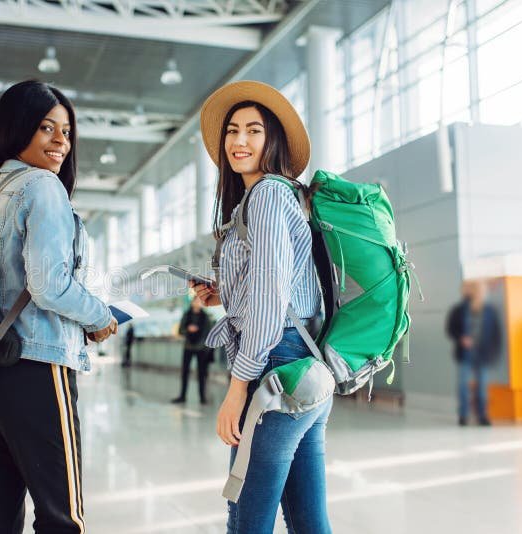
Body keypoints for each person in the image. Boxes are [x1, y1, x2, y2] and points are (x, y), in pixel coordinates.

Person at [0, 80, 118, 534]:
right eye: (47, 128)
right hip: (35, 364)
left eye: (66, 132)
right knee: (62, 516)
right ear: (17, 128)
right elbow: (49, 285)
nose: (61, 142)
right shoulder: (43, 188)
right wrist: (101, 316)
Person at [191, 80, 333, 534]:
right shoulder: (274, 197)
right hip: (305, 369)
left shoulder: (269, 195)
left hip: (275, 371)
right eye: (233, 131)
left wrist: (237, 390)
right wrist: (223, 292)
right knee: (309, 522)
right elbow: (280, 285)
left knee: (247, 520)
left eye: (254, 131)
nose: (239, 141)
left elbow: (272, 301)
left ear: (273, 140)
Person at [446, 280, 502, 426]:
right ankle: (463, 415)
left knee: (482, 387)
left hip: (482, 354)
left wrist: (493, 353)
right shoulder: (459, 310)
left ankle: (482, 415)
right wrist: (461, 338)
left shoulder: (489, 311)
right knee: (463, 385)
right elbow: (451, 329)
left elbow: (496, 334)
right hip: (465, 354)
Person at [172, 297, 215, 405]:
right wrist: (188, 329)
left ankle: (202, 398)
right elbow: (180, 330)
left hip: (201, 349)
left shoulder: (205, 317)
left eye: (200, 301)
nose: (197, 303)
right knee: (185, 372)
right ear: (192, 303)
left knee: (202, 374)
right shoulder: (187, 315)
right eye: (196, 301)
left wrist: (205, 347)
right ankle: (182, 396)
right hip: (188, 347)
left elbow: (208, 334)